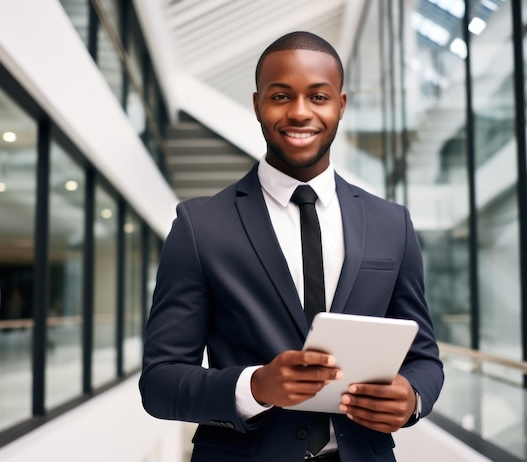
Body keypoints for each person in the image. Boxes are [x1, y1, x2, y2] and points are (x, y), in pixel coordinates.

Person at [140, 31, 444, 462]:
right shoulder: (198, 225)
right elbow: (159, 383)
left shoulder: (391, 223)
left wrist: (412, 397)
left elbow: (425, 359)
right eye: (281, 96)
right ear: (257, 104)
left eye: (318, 97)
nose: (300, 113)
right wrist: (256, 386)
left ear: (341, 104)